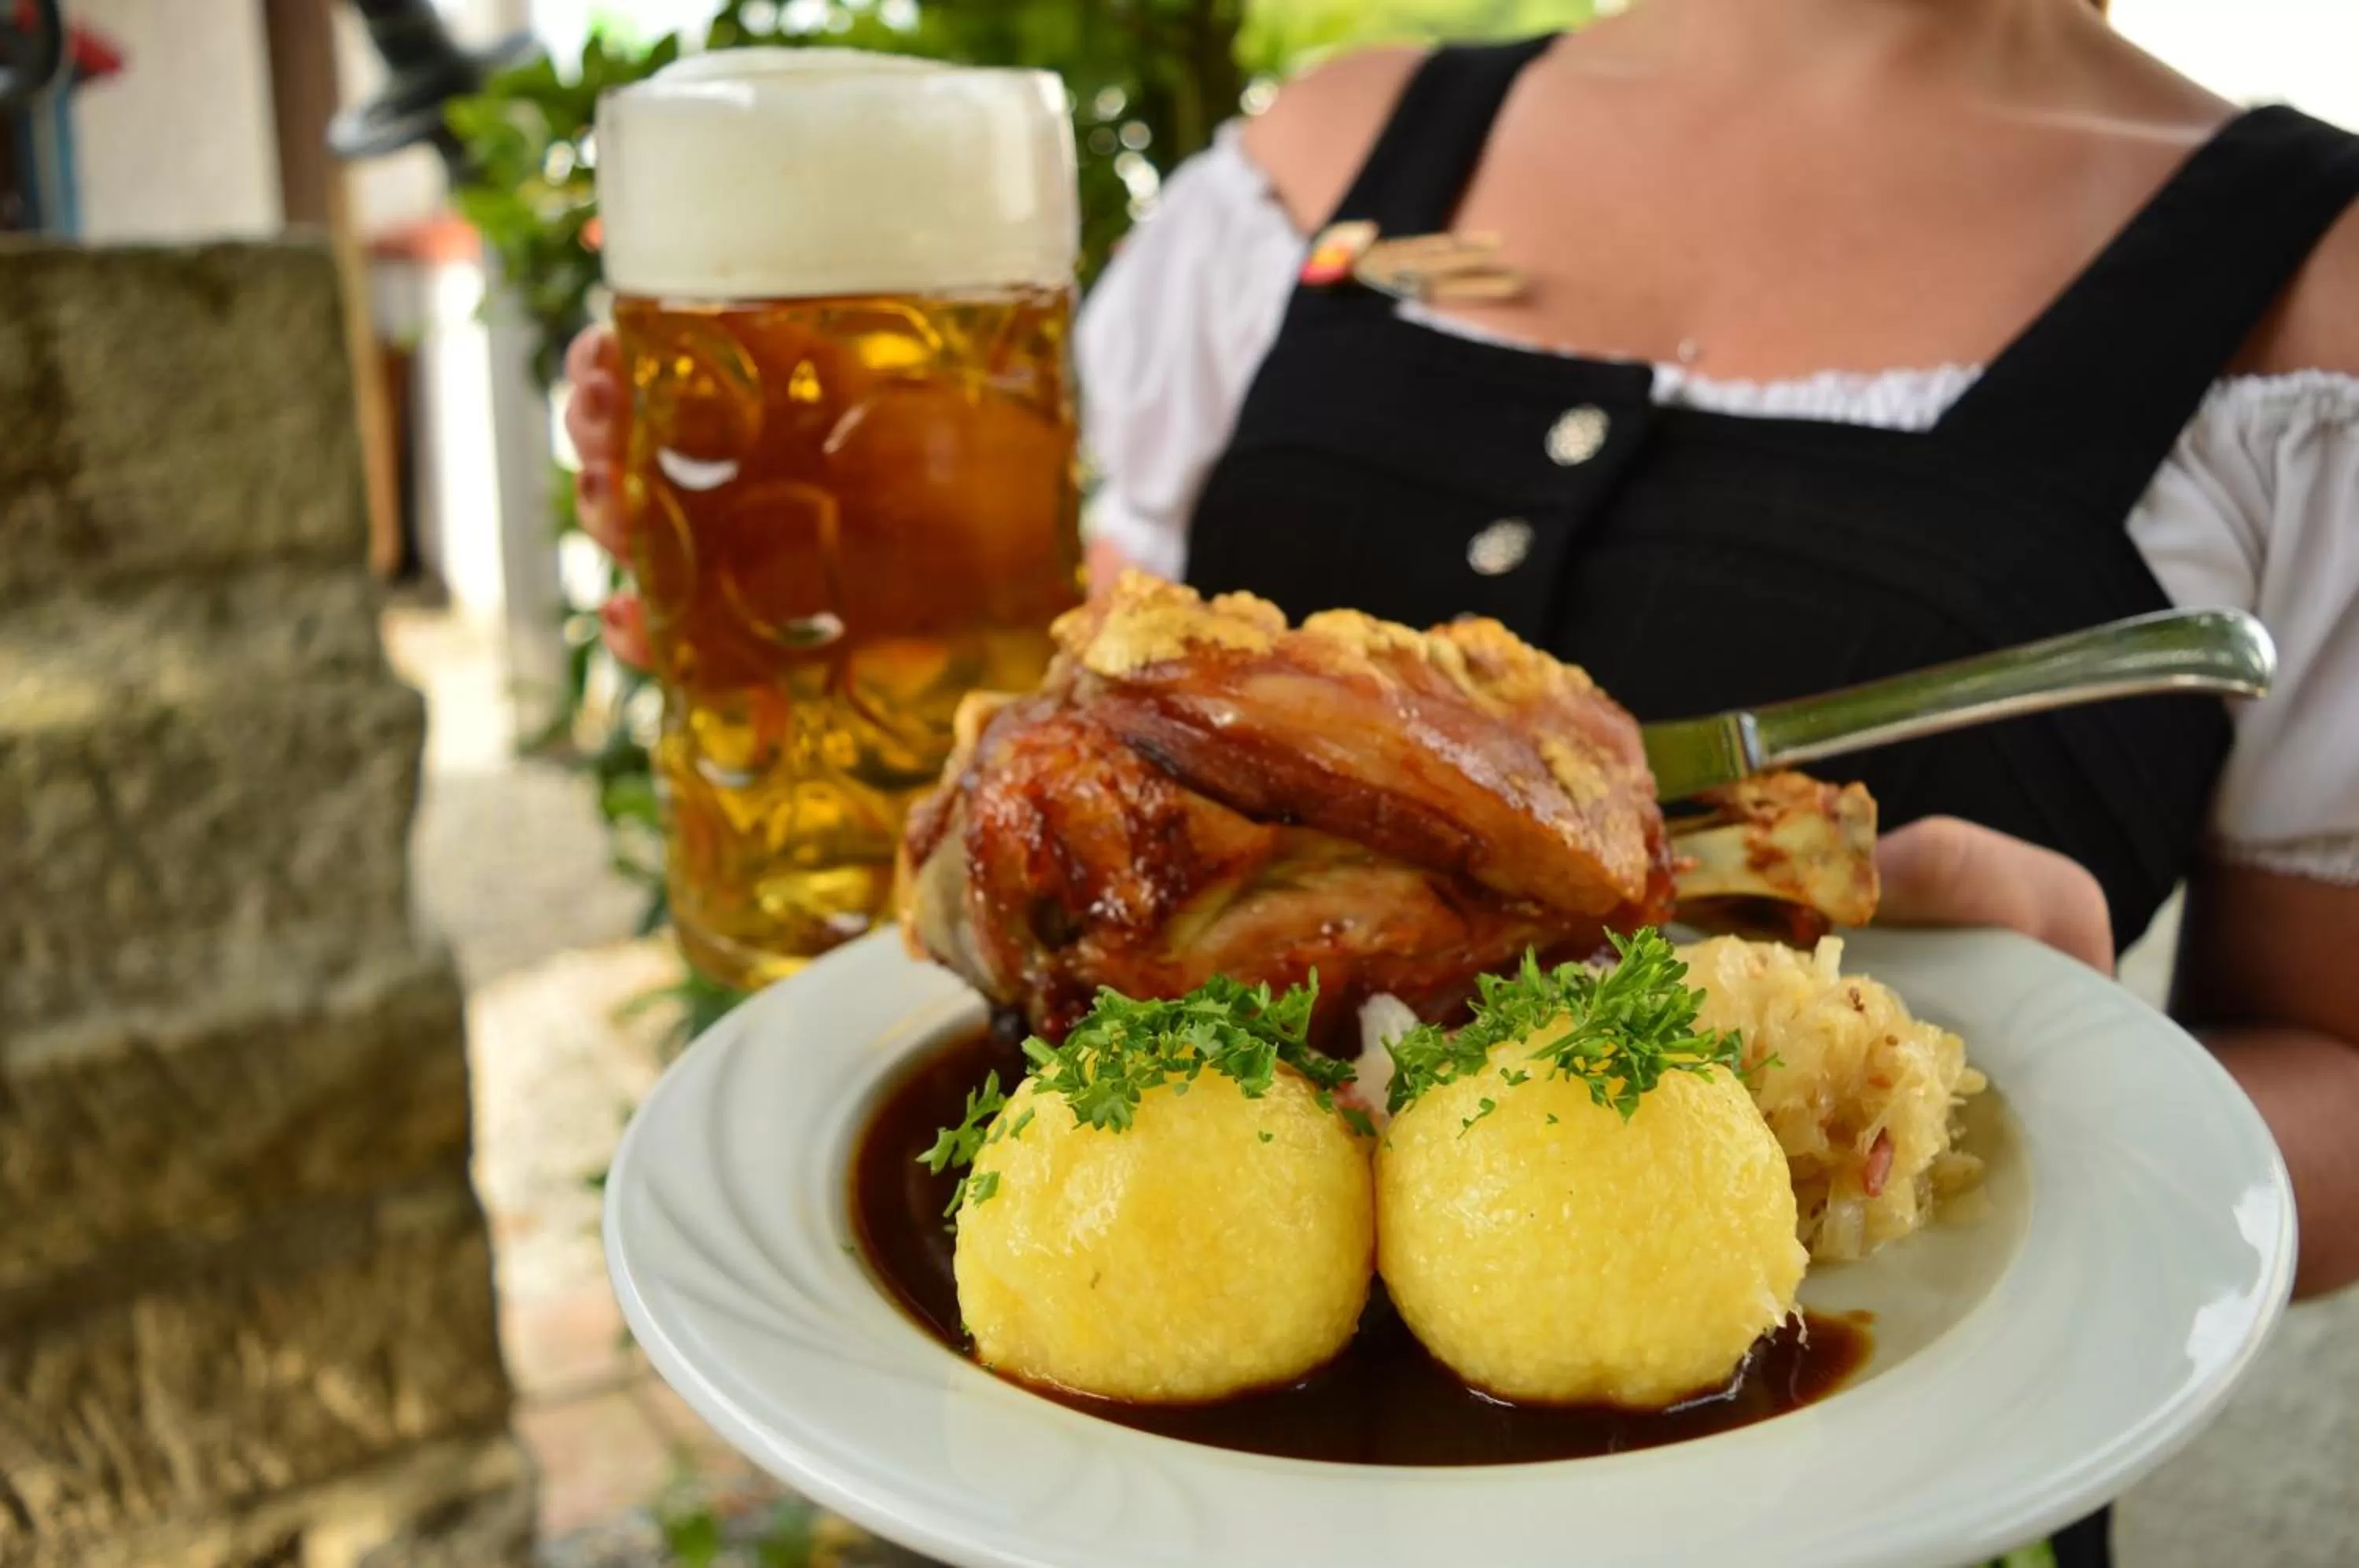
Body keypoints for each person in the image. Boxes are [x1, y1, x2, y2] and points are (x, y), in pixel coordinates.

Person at [564, 2, 2358, 1558]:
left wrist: (2085, 1112)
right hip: (1097, 1484)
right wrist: (817, 595)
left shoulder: (2313, 292)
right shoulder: (1311, 160)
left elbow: (2334, 1073)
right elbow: (1075, 673)